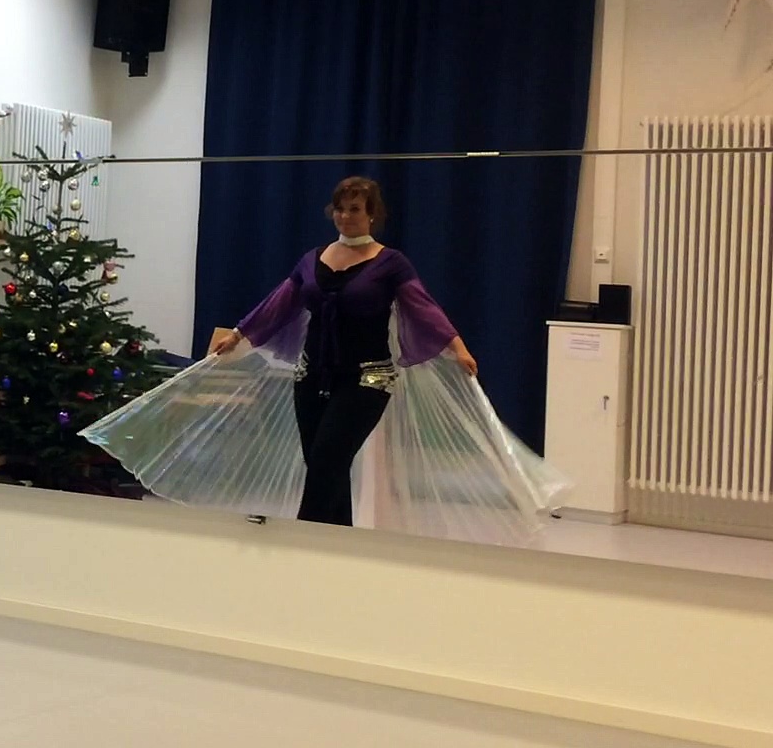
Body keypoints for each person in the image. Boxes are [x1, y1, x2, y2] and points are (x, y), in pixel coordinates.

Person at [84, 176, 565, 544]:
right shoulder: (313, 258)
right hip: (310, 377)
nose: (346, 216)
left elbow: (423, 307)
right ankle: (339, 546)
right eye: (340, 208)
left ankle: (301, 543)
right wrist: (240, 334)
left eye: (356, 209)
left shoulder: (390, 263)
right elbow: (280, 302)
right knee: (323, 464)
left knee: (329, 459)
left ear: (372, 215)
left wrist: (457, 346)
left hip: (368, 380)